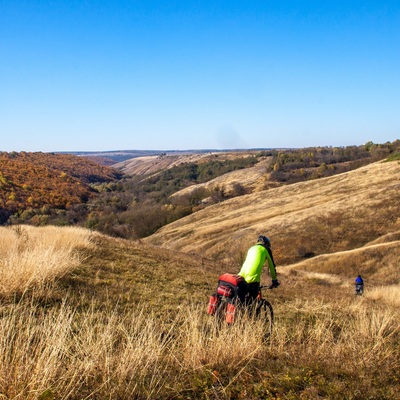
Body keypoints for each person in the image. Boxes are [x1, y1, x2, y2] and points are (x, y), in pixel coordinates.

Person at [238, 235, 279, 304]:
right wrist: (274, 280)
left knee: (243, 298)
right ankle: (250, 313)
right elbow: (272, 266)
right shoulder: (266, 249)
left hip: (241, 275)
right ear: (266, 243)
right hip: (253, 277)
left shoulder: (251, 248)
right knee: (252, 302)